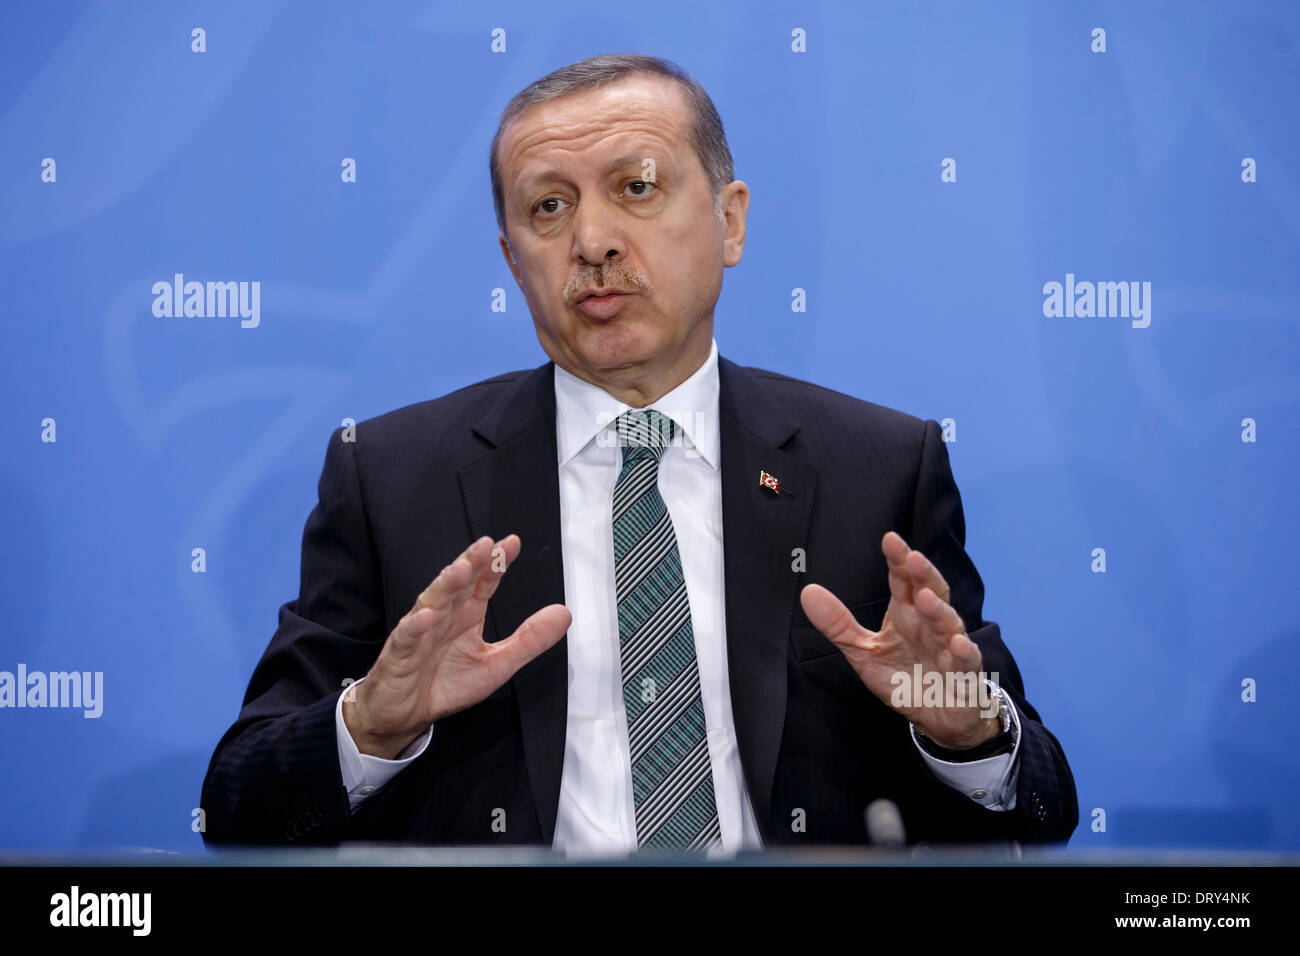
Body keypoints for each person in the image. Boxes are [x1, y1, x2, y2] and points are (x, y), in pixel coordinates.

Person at [201, 53, 1077, 854]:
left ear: (730, 224)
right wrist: (370, 726)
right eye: (550, 206)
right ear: (513, 261)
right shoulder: (392, 476)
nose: (593, 242)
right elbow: (236, 801)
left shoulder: (880, 465)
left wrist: (963, 727)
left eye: (638, 187)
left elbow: (1045, 801)